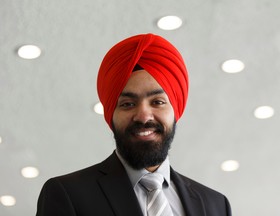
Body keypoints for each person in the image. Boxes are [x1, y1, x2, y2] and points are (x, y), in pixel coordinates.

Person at [36, 33, 232, 216]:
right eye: (128, 104)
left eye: (157, 102)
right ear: (111, 114)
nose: (143, 116)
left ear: (175, 110)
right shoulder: (67, 194)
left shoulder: (216, 205)